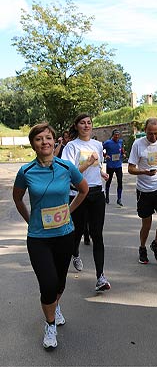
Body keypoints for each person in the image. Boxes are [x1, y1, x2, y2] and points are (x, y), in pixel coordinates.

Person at [13, 123, 88, 349]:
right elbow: (18, 199)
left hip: (65, 234)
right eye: (39, 139)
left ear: (55, 141)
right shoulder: (25, 172)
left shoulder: (66, 167)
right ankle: (50, 324)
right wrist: (30, 220)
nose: (44, 142)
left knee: (60, 282)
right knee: (47, 283)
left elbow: (83, 189)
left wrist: (69, 211)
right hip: (38, 238)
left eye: (48, 138)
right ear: (33, 144)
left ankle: (55, 306)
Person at [62, 113, 111, 292]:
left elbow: (98, 165)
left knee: (97, 234)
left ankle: (100, 276)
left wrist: (101, 173)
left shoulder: (98, 145)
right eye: (82, 123)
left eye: (89, 123)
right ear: (76, 126)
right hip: (77, 193)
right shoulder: (71, 146)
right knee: (78, 231)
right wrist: (87, 163)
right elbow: (70, 173)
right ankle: (75, 252)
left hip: (97, 192)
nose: (86, 125)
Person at [128, 118, 157, 264]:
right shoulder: (138, 144)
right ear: (144, 131)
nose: (153, 137)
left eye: (156, 134)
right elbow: (130, 168)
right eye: (149, 134)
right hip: (144, 190)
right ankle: (142, 247)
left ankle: (156, 243)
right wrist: (144, 172)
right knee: (146, 224)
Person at [103, 129, 126, 206]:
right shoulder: (108, 143)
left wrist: (123, 153)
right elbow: (101, 149)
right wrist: (105, 155)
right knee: (108, 181)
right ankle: (107, 197)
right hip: (110, 165)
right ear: (112, 135)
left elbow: (121, 149)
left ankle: (119, 199)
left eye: (118, 135)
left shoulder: (120, 141)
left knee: (120, 181)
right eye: (115, 135)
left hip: (118, 165)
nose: (116, 136)